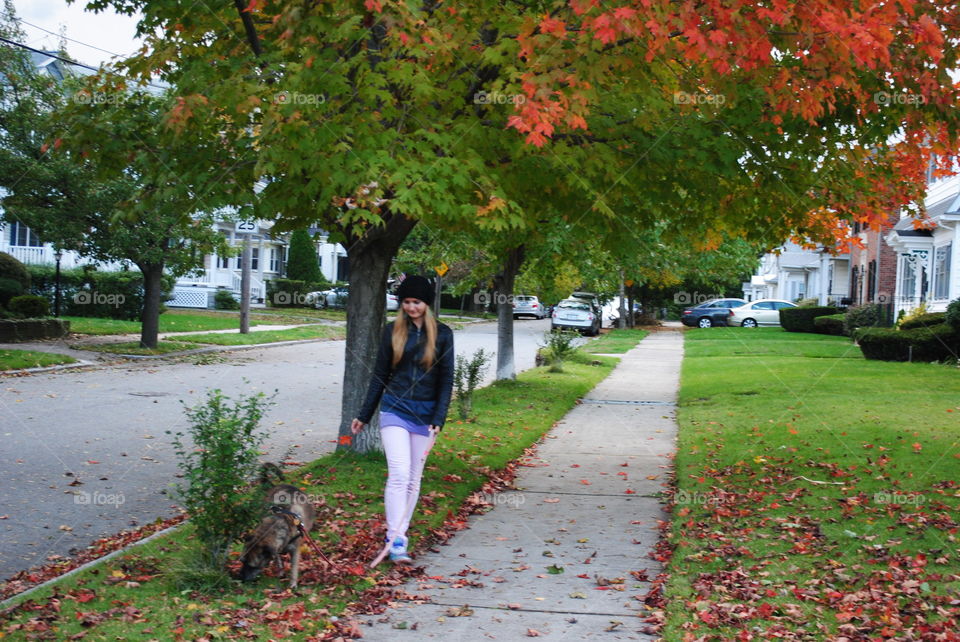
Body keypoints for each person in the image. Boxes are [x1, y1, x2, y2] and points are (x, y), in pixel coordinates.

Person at [351, 275, 454, 565]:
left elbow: (447, 379)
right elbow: (380, 375)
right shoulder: (391, 331)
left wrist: (439, 417)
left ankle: (399, 534)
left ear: (427, 303)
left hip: (426, 414)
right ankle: (395, 539)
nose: (411, 307)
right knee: (398, 472)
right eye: (406, 302)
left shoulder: (444, 334)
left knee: (413, 479)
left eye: (416, 302)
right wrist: (364, 414)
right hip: (394, 409)